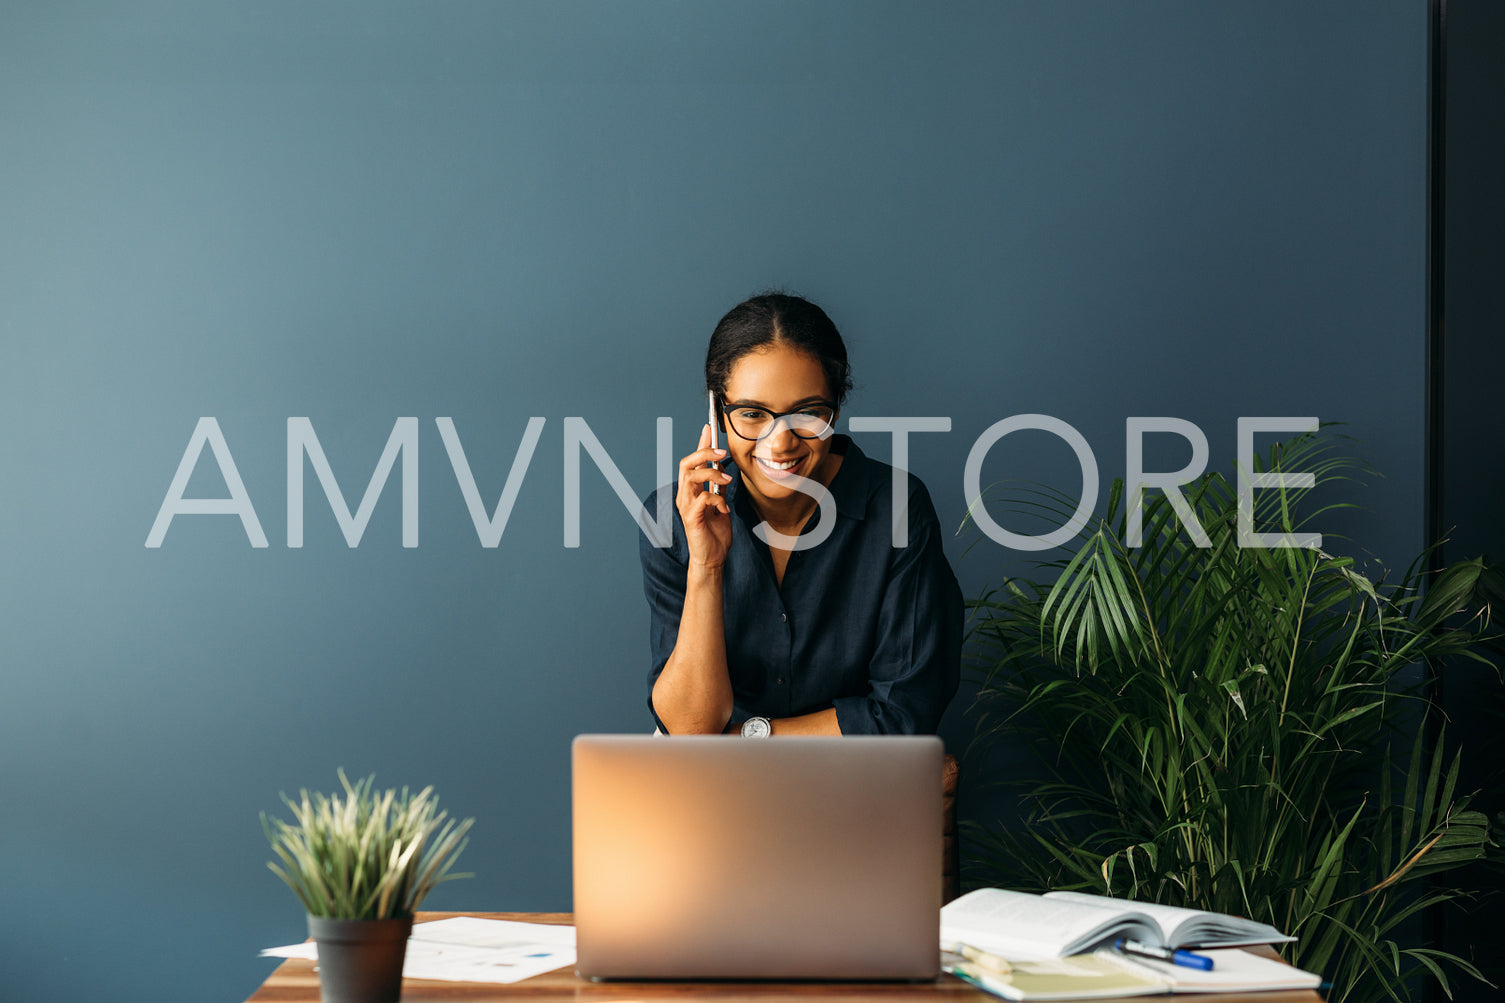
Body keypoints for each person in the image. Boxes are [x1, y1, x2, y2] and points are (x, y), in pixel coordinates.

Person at [640, 293, 962, 736]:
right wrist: (707, 566)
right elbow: (688, 728)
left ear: (837, 406)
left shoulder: (897, 509)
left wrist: (748, 741)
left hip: (851, 779)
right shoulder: (672, 519)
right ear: (716, 412)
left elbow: (904, 714)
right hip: (715, 783)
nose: (780, 443)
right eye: (752, 414)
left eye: (808, 413)